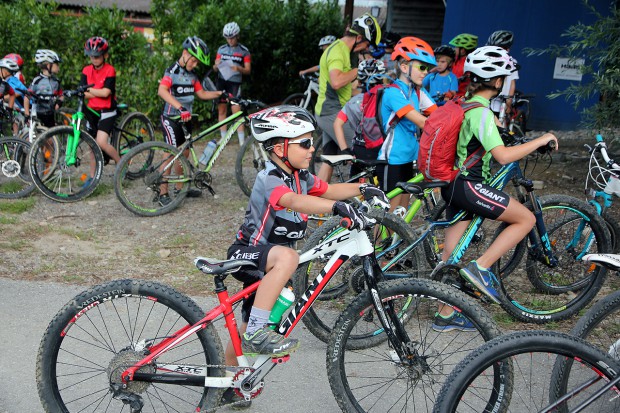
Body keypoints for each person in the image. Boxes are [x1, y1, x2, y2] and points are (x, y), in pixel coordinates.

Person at [220, 105, 389, 407]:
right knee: (289, 258)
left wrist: (363, 189)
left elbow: (329, 189)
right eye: (305, 143)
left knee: (242, 329)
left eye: (313, 142)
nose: (313, 149)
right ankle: (258, 333)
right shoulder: (268, 177)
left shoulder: (301, 176)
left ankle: (227, 381)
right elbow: (293, 201)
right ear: (280, 146)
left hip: (269, 263)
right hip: (248, 254)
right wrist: (335, 210)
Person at [439, 46, 558, 308]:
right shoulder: (481, 112)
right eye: (503, 78)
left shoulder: (467, 104)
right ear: (496, 81)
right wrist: (540, 140)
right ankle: (480, 268)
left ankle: (444, 313)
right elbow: (503, 156)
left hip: (452, 184)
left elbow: (486, 135)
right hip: (470, 186)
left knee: (451, 253)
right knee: (525, 218)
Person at [157, 36, 224, 206]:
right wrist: (180, 107)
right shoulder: (173, 71)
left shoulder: (192, 75)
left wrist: (220, 94)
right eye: (194, 61)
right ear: (185, 53)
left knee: (184, 154)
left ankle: (180, 189)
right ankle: (162, 192)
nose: (195, 65)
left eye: (197, 63)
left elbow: (201, 94)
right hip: (171, 118)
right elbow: (162, 91)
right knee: (170, 153)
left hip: (185, 120)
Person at [315, 13, 381, 183]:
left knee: (329, 159)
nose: (365, 48)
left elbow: (346, 89)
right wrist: (361, 69)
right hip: (331, 112)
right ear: (358, 37)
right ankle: (360, 199)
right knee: (364, 149)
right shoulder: (338, 50)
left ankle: (314, 200)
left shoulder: (340, 48)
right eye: (366, 44)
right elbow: (336, 81)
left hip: (329, 111)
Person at [376, 36, 437, 211]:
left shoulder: (418, 91)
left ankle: (397, 240)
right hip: (392, 161)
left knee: (401, 213)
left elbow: (438, 115)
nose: (426, 72)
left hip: (409, 159)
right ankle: (376, 240)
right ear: (404, 67)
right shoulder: (393, 93)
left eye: (428, 68)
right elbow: (423, 122)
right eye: (422, 67)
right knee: (387, 217)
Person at [334, 58, 387, 175]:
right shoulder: (388, 99)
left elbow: (337, 123)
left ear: (359, 81)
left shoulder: (353, 102)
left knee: (356, 184)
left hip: (359, 148)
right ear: (382, 78)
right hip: (381, 148)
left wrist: (344, 149)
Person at [80, 36, 121, 169]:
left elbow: (106, 93)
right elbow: (83, 93)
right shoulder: (86, 70)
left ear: (105, 55)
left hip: (107, 110)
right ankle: (92, 178)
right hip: (92, 109)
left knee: (101, 142)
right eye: (91, 57)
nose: (94, 59)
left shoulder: (110, 70)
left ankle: (121, 164)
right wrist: (95, 91)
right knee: (92, 145)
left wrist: (90, 90)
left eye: (97, 56)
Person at [214, 22, 251, 145]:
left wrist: (238, 68)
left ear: (237, 36)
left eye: (232, 38)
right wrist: (216, 65)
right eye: (227, 38)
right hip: (222, 82)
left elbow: (248, 70)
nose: (230, 40)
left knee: (236, 111)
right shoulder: (221, 49)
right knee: (222, 110)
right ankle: (223, 138)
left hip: (235, 84)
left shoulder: (244, 51)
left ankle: (241, 140)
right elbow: (214, 68)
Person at [487, 30, 519, 118]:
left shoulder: (512, 62)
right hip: (488, 98)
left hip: (502, 99)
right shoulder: (487, 60)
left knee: (501, 120)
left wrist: (509, 100)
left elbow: (512, 83)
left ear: (508, 49)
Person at [30, 49, 63, 128]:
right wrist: (27, 114)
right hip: (38, 113)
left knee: (51, 138)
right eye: (56, 64)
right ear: (49, 65)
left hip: (50, 114)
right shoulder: (37, 81)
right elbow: (27, 97)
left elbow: (61, 94)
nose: (58, 67)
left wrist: (59, 102)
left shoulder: (56, 81)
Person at [0, 57, 29, 134]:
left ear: (5, 71)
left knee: (14, 119)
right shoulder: (12, 80)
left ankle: (16, 140)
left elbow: (16, 93)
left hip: (25, 107)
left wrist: (3, 97)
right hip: (22, 107)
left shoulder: (10, 81)